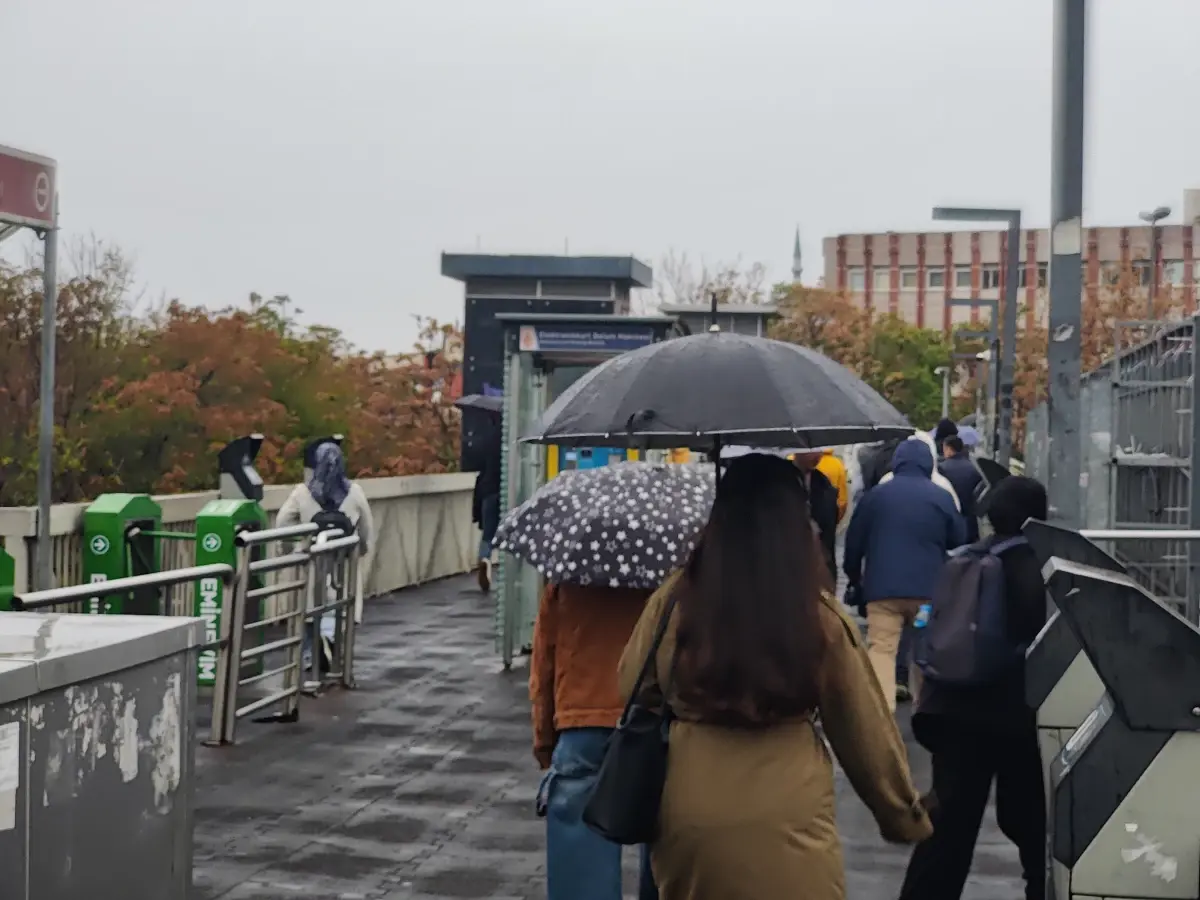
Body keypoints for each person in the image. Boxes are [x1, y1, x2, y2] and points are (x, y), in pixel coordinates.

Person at [619, 454, 932, 900]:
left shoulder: (675, 599)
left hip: (689, 804)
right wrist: (903, 815)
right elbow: (863, 729)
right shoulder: (817, 614)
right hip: (789, 806)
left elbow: (630, 683)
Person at [899, 476, 1050, 900]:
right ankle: (1040, 890)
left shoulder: (963, 558)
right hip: (1007, 713)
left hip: (950, 708)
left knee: (948, 825)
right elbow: (1035, 642)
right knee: (1031, 820)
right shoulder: (1030, 566)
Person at [530, 582, 657, 900]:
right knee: (665, 848)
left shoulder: (569, 578)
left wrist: (546, 742)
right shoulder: (673, 573)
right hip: (653, 722)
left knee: (579, 871)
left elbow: (545, 663)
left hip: (583, 722)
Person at [843, 439, 966, 712]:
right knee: (923, 654)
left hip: (883, 594)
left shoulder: (876, 496)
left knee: (882, 649)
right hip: (927, 595)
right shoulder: (941, 496)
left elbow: (854, 542)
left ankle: (882, 714)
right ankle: (925, 710)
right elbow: (958, 537)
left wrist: (854, 577)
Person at [276, 442, 374, 666]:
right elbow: (367, 529)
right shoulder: (355, 492)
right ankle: (334, 646)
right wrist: (361, 550)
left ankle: (311, 655)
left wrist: (289, 548)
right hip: (343, 563)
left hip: (313, 561)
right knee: (342, 606)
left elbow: (282, 522)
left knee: (311, 608)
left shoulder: (302, 492)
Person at [792, 450, 840, 582]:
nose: (818, 456)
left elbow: (829, 536)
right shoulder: (779, 483)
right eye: (811, 451)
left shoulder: (824, 485)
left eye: (820, 450)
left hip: (819, 568)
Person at [471, 416, 502, 592]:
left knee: (488, 536)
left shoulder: (485, 440)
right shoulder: (510, 438)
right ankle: (511, 570)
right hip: (506, 491)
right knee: (511, 533)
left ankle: (485, 559)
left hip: (487, 492)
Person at [939, 435, 984, 544]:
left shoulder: (941, 468)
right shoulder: (974, 468)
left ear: (949, 449)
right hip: (970, 522)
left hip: (950, 521)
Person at [815, 448, 850, 524]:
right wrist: (834, 521)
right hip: (827, 519)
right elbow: (842, 501)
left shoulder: (791, 460)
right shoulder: (837, 464)